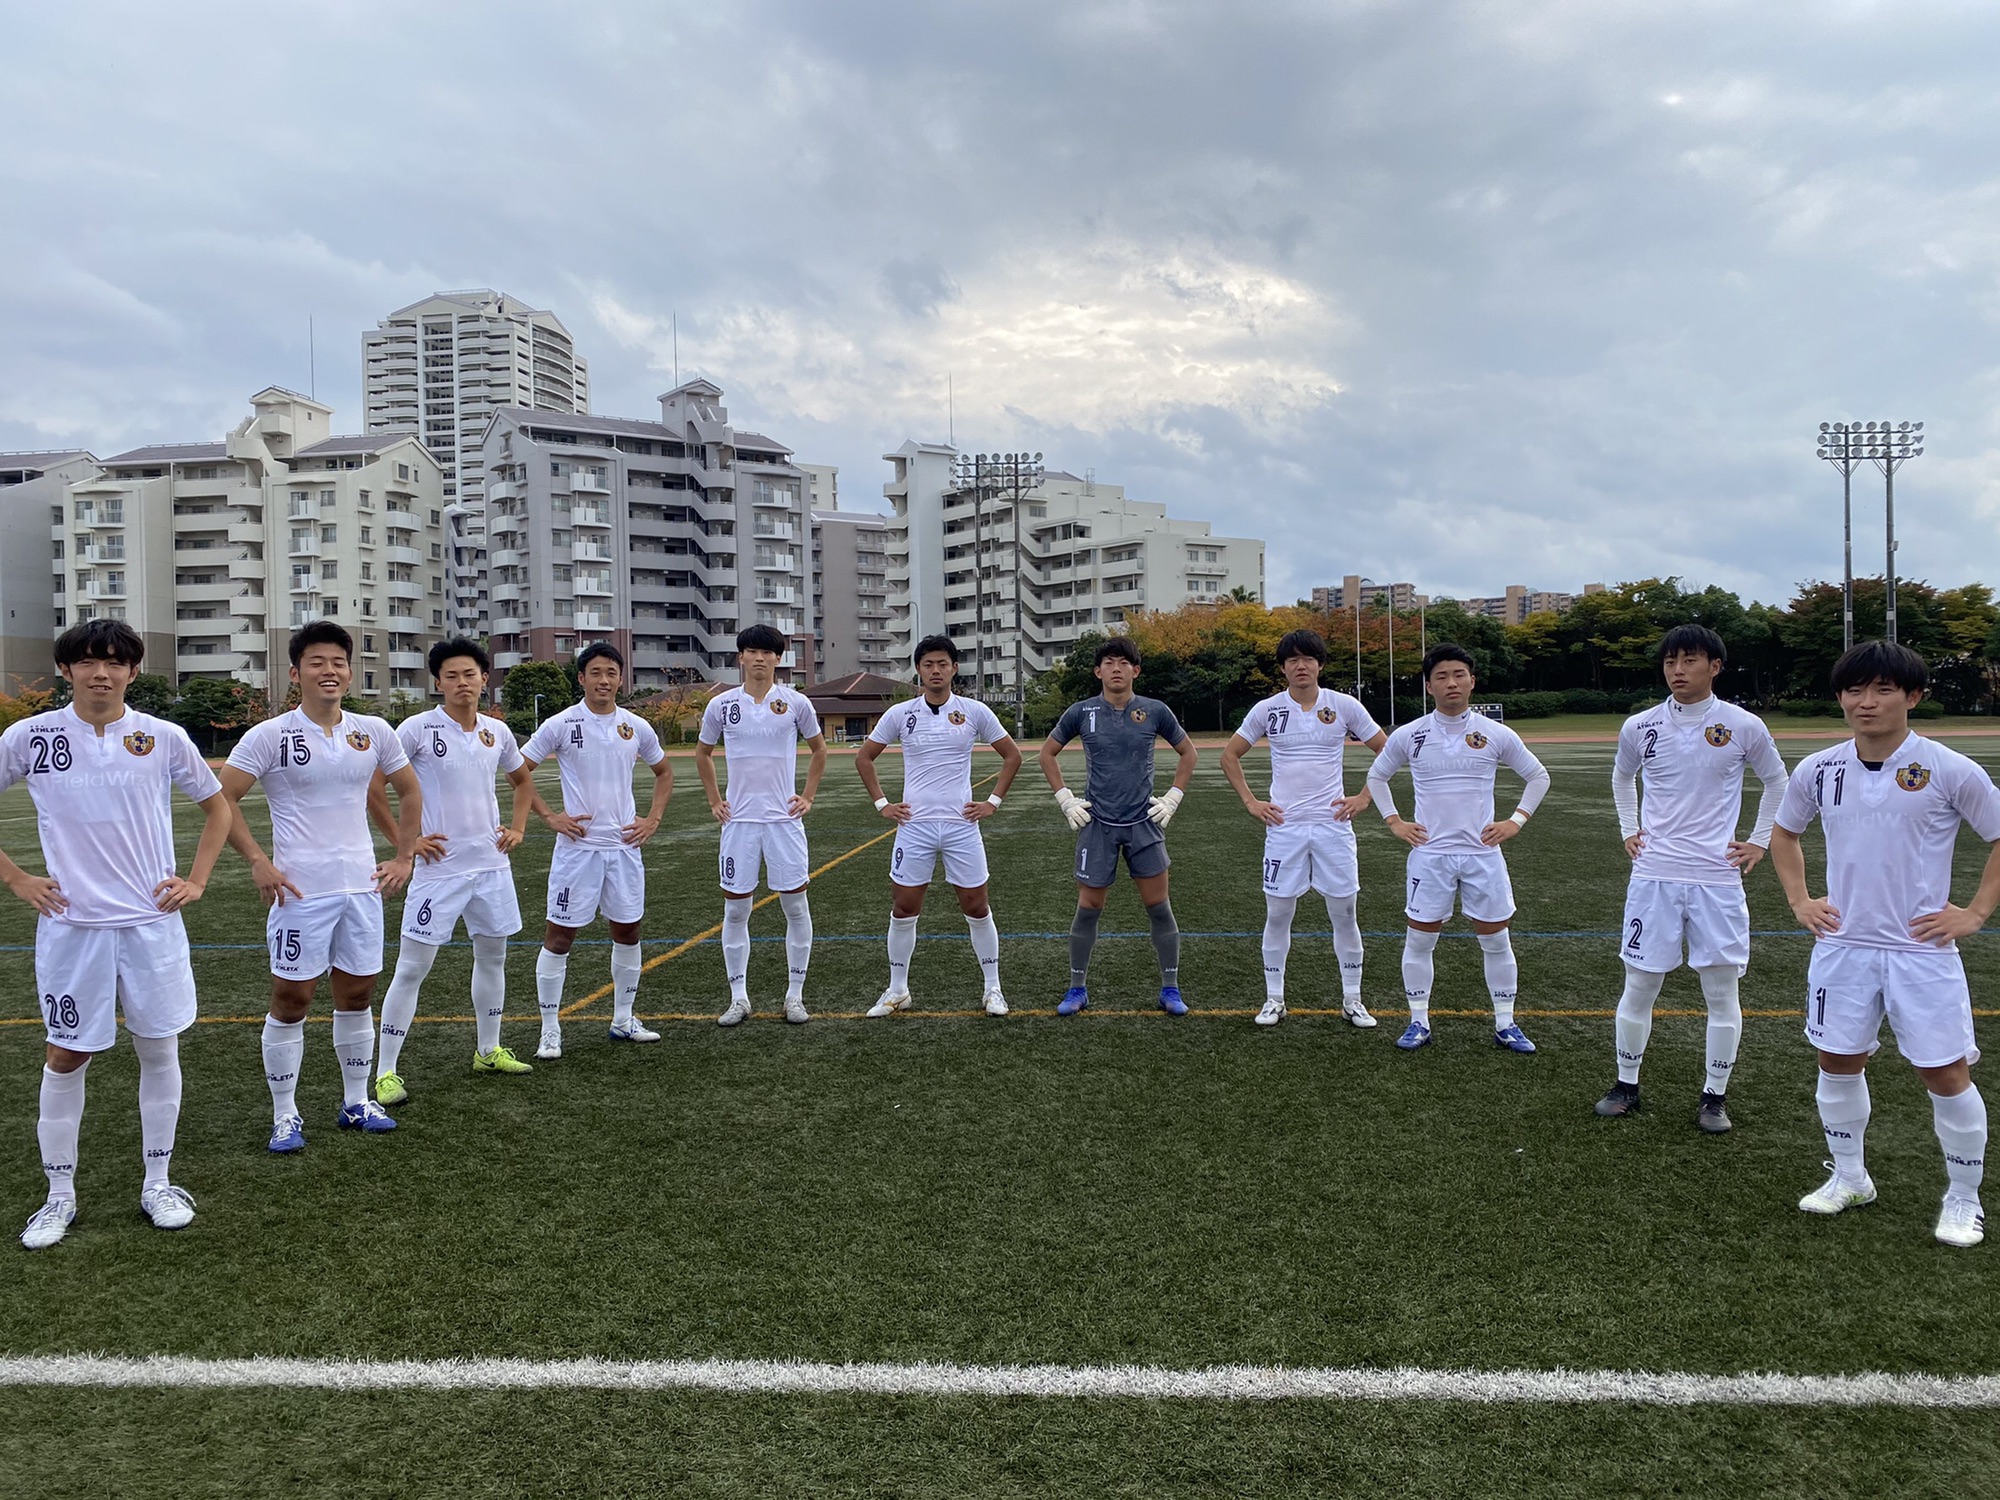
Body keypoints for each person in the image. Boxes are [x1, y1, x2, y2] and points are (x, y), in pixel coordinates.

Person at [6, 622, 233, 1249]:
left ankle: (158, 1183)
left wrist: (197, 879)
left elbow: (218, 806)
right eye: (85, 661)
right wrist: (18, 878)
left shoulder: (162, 737)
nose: (99, 672)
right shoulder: (31, 736)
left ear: (134, 671)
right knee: (65, 1054)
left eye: (113, 662)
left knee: (159, 1049)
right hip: (72, 930)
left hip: (151, 926)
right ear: (66, 670)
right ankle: (58, 1197)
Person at [1771, 641, 1999, 1249]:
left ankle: (1964, 1198)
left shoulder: (1949, 768)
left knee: (1945, 1072)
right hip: (1843, 947)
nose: (1865, 702)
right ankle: (1850, 1178)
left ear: (1913, 696)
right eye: (1853, 690)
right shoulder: (1818, 768)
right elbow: (1785, 833)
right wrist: (1800, 901)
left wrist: (1975, 912)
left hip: (1920, 951)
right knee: (1837, 1061)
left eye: (1882, 690)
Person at [220, 622, 422, 1152]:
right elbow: (222, 801)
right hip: (299, 893)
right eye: (316, 662)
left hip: (362, 889)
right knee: (292, 999)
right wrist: (260, 861)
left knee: (357, 995)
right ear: (295, 672)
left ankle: (356, 1102)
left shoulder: (374, 730)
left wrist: (404, 856)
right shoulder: (270, 735)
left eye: (338, 662)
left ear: (350, 671)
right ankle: (285, 1115)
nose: (328, 671)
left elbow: (408, 789)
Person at [1595, 624, 1789, 1131]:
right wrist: (1628, 830)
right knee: (1639, 983)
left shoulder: (1743, 725)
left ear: (1715, 667)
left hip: (1717, 879)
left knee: (1721, 993)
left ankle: (1714, 1096)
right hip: (1654, 875)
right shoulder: (1640, 726)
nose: (1677, 671)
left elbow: (1776, 780)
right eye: (1670, 662)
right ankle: (1626, 1085)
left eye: (1689, 661)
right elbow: (1621, 776)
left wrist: (1760, 839)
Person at [370, 639, 537, 1104]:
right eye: (452, 676)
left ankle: (488, 1049)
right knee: (412, 969)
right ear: (437, 682)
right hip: (438, 872)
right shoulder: (417, 729)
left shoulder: (497, 732)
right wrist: (407, 842)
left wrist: (518, 828)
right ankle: (385, 1072)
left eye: (470, 674)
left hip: (490, 868)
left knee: (493, 958)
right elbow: (374, 787)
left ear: (485, 679)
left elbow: (522, 781)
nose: (462, 683)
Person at [1366, 644, 1550, 1053]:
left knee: (1496, 939)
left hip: (1483, 855)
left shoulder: (1497, 734)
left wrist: (1514, 821)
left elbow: (1538, 776)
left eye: (1459, 675)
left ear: (1472, 680)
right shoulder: (1410, 735)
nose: (1451, 683)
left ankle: (1506, 1023)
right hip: (1429, 856)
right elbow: (1377, 778)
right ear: (1429, 685)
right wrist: (1394, 821)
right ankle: (1418, 1021)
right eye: (1442, 676)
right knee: (1419, 940)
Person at [1221, 628, 1388, 1028]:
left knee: (1344, 913)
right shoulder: (1267, 709)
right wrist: (1251, 801)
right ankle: (1274, 999)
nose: (1301, 665)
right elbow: (1229, 756)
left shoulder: (1344, 706)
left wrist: (1364, 798)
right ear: (1283, 668)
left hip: (1333, 827)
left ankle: (1353, 999)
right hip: (1285, 828)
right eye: (1293, 659)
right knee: (1279, 913)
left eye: (1308, 658)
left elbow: (1387, 749)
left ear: (1320, 664)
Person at [856, 635, 1024, 1017]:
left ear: (954, 669)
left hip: (961, 826)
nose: (935, 670)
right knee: (904, 907)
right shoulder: (900, 714)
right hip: (914, 827)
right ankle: (898, 990)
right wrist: (883, 804)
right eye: (928, 664)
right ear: (918, 669)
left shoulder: (974, 711)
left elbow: (1012, 756)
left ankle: (993, 988)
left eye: (942, 664)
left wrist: (992, 802)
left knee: (976, 905)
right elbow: (865, 758)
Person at [518, 643, 672, 1058]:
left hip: (623, 849)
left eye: (612, 673)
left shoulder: (636, 727)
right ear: (581, 678)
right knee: (559, 935)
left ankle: (623, 1020)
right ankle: (550, 1029)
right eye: (596, 672)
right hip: (577, 851)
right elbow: (519, 772)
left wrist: (652, 819)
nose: (604, 680)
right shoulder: (561, 723)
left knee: (628, 931)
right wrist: (550, 817)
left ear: (621, 679)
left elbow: (663, 772)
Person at [1037, 636, 1198, 1016]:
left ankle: (1170, 989)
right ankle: (1077, 988)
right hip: (1098, 825)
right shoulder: (1081, 711)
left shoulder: (1155, 710)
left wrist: (1173, 796)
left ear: (1135, 670)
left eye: (1123, 663)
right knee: (1088, 907)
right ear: (1097, 671)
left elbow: (1188, 753)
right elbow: (1047, 753)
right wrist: (1065, 798)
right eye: (1108, 662)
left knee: (1159, 907)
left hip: (1144, 823)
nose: (1115, 668)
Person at [695, 624, 828, 1025]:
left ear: (778, 658)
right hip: (739, 824)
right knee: (736, 912)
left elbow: (819, 750)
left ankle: (795, 996)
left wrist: (807, 796)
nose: (758, 658)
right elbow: (703, 754)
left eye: (767, 652)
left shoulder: (795, 703)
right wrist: (716, 800)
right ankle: (739, 998)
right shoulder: (721, 705)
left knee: (796, 907)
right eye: (751, 651)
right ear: (740, 657)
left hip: (783, 822)